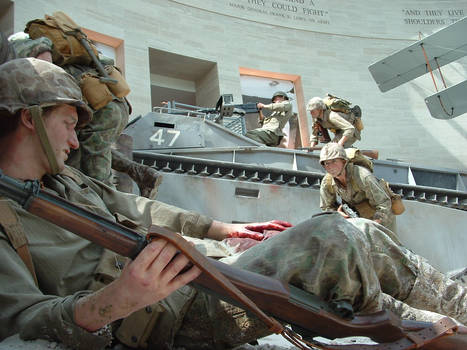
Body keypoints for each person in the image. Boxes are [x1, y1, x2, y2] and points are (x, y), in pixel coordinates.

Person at [0, 59, 466, 350]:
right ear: (30, 119)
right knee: (333, 236)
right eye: (66, 122)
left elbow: (142, 210)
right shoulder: (6, 217)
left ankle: (455, 308)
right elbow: (22, 318)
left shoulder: (67, 181)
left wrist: (223, 230)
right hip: (161, 313)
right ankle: (425, 326)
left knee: (361, 233)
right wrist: (113, 302)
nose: (74, 138)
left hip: (192, 271)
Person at [8, 32, 162, 199]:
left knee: (87, 170)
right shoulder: (72, 53)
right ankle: (138, 172)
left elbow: (43, 59)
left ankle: (110, 212)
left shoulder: (21, 45)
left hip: (97, 105)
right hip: (113, 102)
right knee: (90, 148)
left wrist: (49, 94)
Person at [319, 142, 397, 232]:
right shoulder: (327, 182)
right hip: (356, 220)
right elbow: (326, 208)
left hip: (381, 218)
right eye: (326, 163)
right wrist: (337, 213)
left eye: (334, 161)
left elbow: (384, 203)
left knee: (385, 244)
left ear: (343, 161)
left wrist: (374, 225)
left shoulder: (363, 176)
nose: (330, 167)